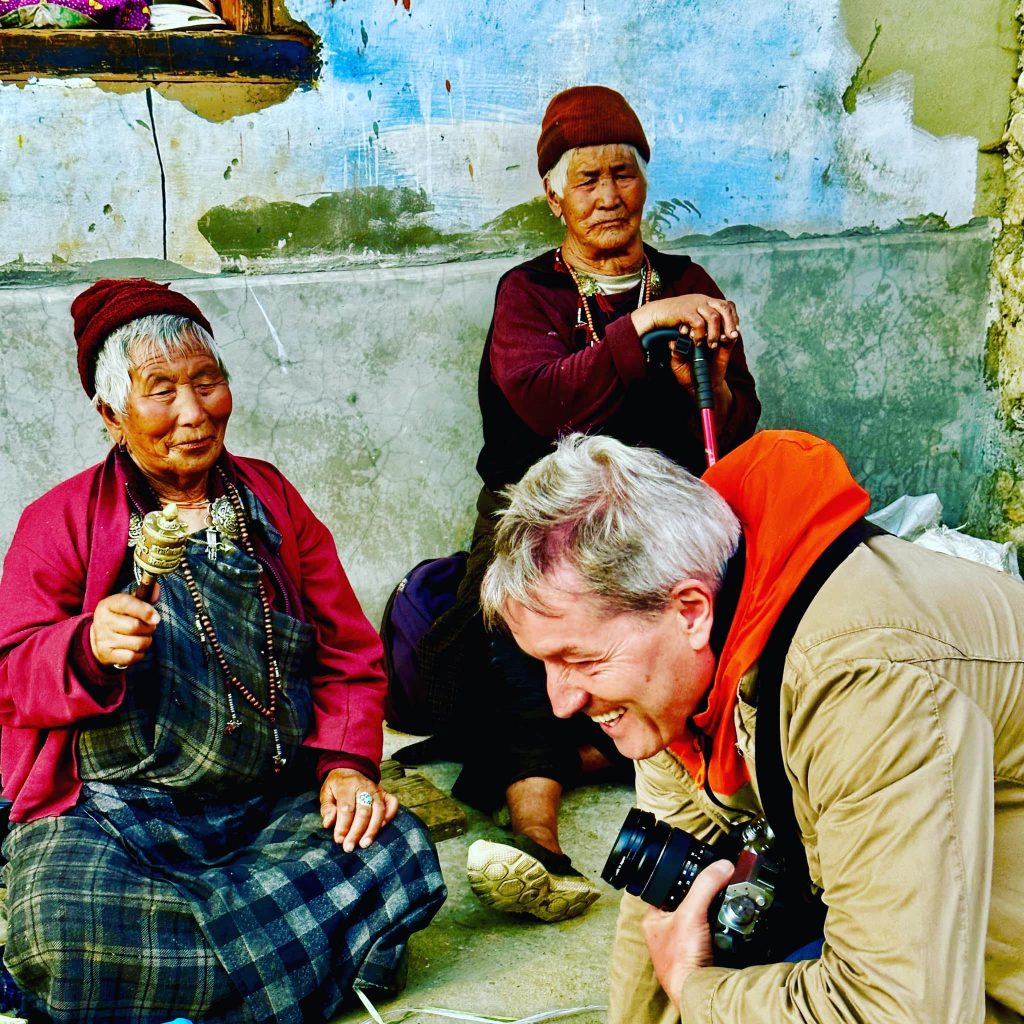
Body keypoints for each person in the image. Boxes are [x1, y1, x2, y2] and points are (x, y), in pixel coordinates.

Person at [0, 278, 447, 1024]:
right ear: (112, 415)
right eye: (161, 390)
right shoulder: (61, 521)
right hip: (121, 816)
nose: (194, 412)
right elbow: (10, 672)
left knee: (395, 848)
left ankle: (150, 992)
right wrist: (83, 645)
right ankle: (310, 962)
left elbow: (347, 651)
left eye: (207, 382)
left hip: (270, 803)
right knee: (59, 923)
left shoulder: (272, 501)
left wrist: (346, 766)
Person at [479, 430, 1024, 1024]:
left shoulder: (860, 682)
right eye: (545, 663)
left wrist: (696, 990)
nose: (561, 701)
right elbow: (659, 906)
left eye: (581, 660)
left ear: (690, 611)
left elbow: (899, 1011)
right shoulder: (683, 674)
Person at [413, 84, 760, 924]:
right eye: (587, 180)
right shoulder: (529, 292)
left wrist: (706, 380)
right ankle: (538, 840)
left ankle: (642, 768)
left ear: (645, 184)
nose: (608, 196)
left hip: (654, 510)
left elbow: (734, 424)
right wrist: (641, 331)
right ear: (554, 197)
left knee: (713, 617)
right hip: (540, 508)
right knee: (522, 635)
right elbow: (542, 401)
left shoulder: (687, 281)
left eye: (623, 175)